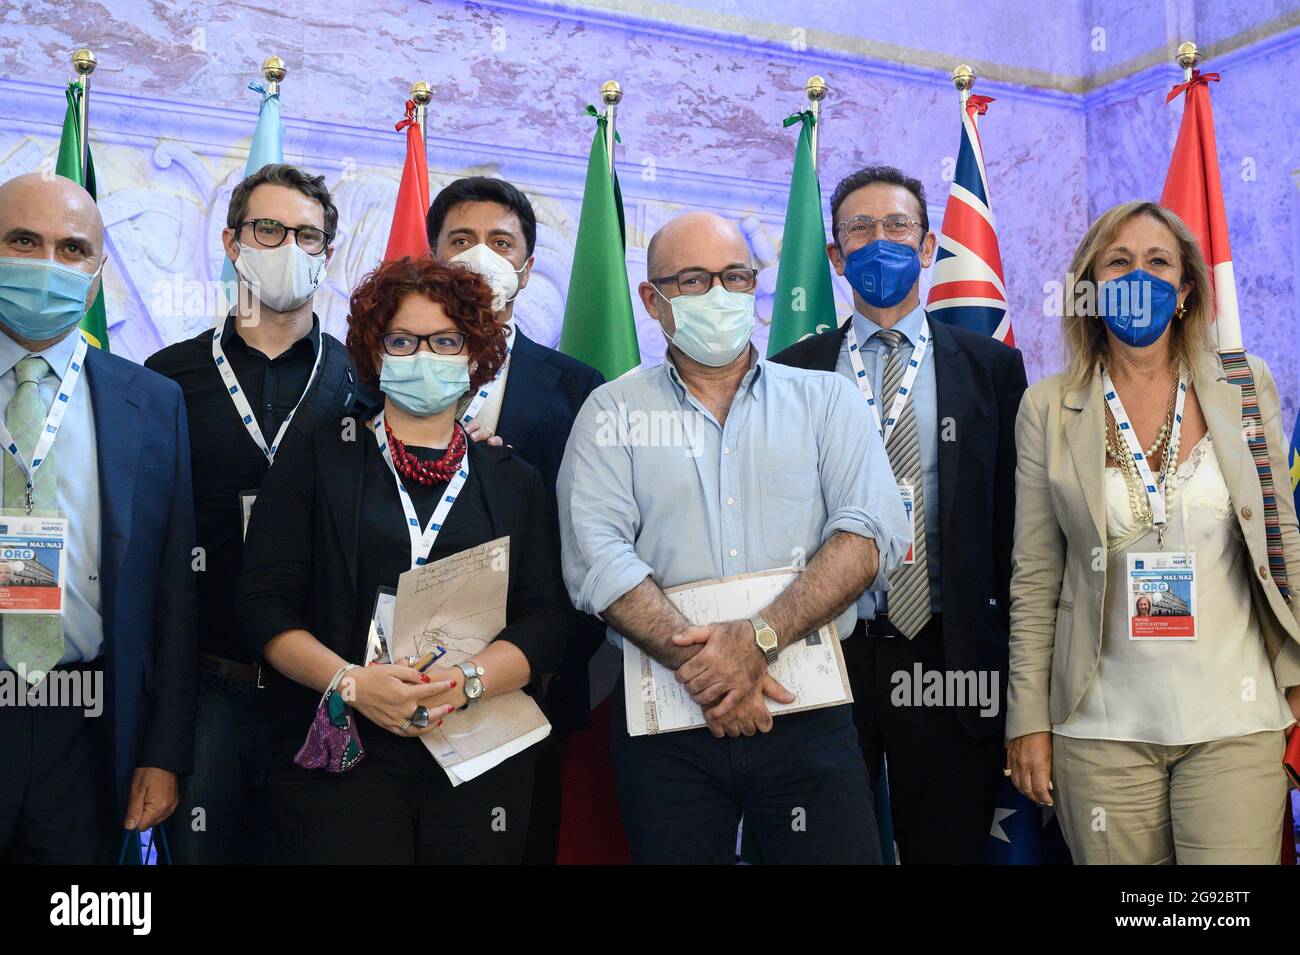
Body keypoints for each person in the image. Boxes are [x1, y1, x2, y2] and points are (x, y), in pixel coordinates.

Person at [557, 210, 908, 864]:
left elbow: (868, 535)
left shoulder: (826, 400)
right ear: (651, 299)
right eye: (693, 279)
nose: (720, 294)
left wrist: (757, 640)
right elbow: (595, 558)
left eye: (736, 276)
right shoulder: (611, 411)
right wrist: (714, 668)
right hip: (668, 727)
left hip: (810, 717)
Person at [238, 255, 569, 864]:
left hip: (477, 754)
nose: (423, 356)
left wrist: (465, 684)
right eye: (403, 340)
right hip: (345, 751)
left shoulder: (513, 479)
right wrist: (352, 682)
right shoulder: (319, 457)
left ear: (475, 355)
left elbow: (548, 619)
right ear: (375, 351)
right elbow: (262, 606)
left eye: (445, 341)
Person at [1006, 199, 1300, 864]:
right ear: (1090, 285)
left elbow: (1285, 538)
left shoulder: (1243, 386)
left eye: (1158, 262)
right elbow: (1034, 577)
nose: (1138, 277)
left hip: (1236, 717)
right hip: (1101, 728)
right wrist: (1027, 718)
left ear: (1185, 289)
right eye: (1119, 262)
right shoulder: (1047, 408)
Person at [772, 165, 1028, 863]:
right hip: (824, 644)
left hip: (947, 649)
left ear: (927, 246)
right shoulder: (792, 371)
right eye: (860, 229)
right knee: (826, 847)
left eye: (896, 227)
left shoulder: (991, 368)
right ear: (835, 253)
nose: (878, 241)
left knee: (947, 846)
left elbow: (1013, 523)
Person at [147, 163, 357, 864]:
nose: (287, 246)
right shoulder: (162, 380)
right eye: (269, 228)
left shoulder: (366, 381)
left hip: (328, 693)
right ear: (233, 242)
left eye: (307, 234)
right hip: (209, 688)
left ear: (327, 255)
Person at [0, 172, 197, 863]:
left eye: (72, 248)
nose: (48, 264)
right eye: (23, 241)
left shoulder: (151, 401)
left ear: (96, 272)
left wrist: (162, 752)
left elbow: (173, 593)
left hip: (88, 725)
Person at [425, 176, 604, 863]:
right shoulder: (379, 373)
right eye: (461, 240)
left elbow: (595, 539)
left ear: (527, 270)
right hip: (398, 681)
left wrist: (549, 661)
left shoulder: (581, 387)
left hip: (530, 680)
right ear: (432, 256)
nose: (482, 256)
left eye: (502, 243)